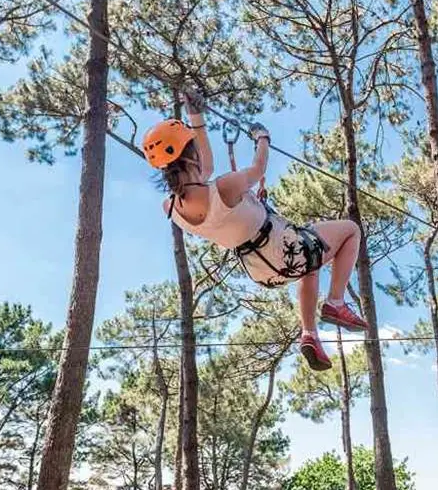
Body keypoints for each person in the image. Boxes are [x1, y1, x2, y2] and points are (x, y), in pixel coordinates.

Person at [142, 89, 366, 371]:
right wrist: (263, 138)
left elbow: (203, 170)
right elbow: (258, 168)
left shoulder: (171, 208)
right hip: (284, 246)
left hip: (261, 270)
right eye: (193, 148)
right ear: (190, 158)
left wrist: (195, 118)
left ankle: (309, 333)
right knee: (350, 230)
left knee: (311, 264)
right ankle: (335, 302)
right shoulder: (224, 187)